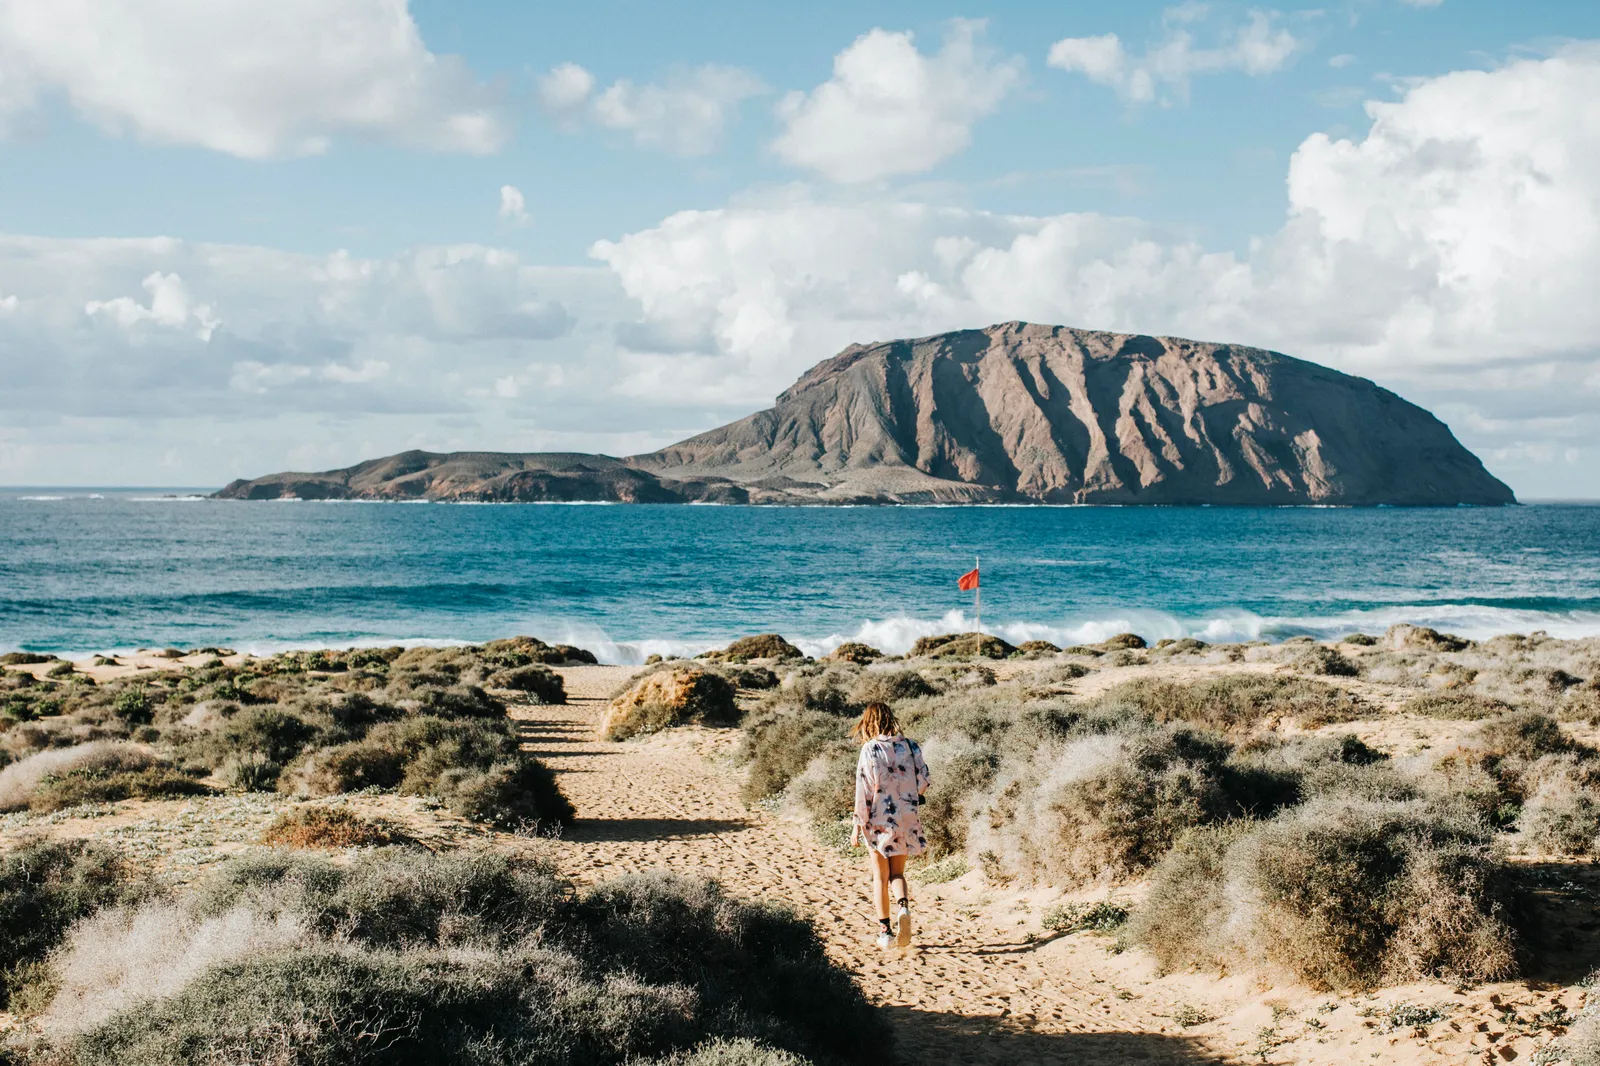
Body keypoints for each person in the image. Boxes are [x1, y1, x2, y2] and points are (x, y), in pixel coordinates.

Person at [849, 700, 931, 949]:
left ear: (868, 722)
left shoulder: (870, 749)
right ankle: (903, 908)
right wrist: (908, 794)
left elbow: (863, 789)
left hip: (878, 820)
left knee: (880, 876)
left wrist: (857, 824)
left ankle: (885, 932)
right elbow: (924, 780)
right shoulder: (911, 746)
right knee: (898, 874)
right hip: (905, 817)